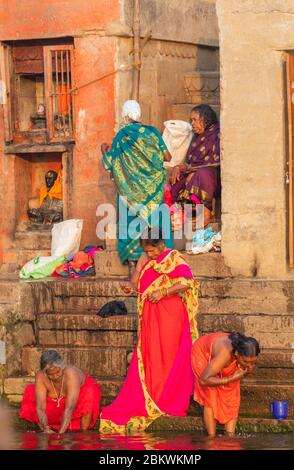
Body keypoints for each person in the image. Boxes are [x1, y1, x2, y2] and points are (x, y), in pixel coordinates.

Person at [100, 228, 199, 433]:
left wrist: (164, 292)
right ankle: (153, 396)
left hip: (169, 315)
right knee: (151, 357)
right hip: (150, 317)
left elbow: (187, 282)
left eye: (153, 251)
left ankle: (167, 398)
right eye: (147, 251)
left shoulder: (174, 258)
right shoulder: (146, 259)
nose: (151, 254)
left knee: (167, 358)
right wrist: (131, 286)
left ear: (161, 244)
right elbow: (139, 285)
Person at [101, 100, 173, 274]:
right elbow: (167, 156)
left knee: (128, 223)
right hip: (153, 190)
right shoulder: (153, 133)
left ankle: (133, 265)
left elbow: (109, 163)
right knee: (157, 222)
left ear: (124, 116)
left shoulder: (121, 135)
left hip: (129, 192)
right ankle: (164, 260)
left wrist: (103, 149)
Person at [191, 332, 260, 437]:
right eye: (246, 362)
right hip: (203, 353)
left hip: (222, 356)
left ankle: (230, 436)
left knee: (233, 390)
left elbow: (246, 366)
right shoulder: (225, 353)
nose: (250, 365)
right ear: (237, 354)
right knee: (210, 393)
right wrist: (230, 378)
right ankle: (211, 438)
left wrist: (246, 370)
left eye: (253, 362)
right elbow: (204, 380)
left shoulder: (247, 350)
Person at [20, 350, 101, 433]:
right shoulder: (41, 375)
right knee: (30, 391)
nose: (55, 376)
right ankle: (47, 428)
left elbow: (70, 408)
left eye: (58, 372)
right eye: (50, 374)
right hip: (57, 400)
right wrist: (45, 428)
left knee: (89, 392)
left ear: (62, 367)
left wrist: (60, 435)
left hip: (75, 401)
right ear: (44, 372)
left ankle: (83, 432)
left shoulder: (71, 374)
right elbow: (40, 407)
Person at [170, 104, 220, 222]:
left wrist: (193, 171)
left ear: (206, 119)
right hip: (195, 172)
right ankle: (179, 214)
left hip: (213, 178)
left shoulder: (217, 134)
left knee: (203, 174)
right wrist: (178, 167)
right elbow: (189, 163)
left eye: (195, 120)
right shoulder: (196, 138)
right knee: (177, 180)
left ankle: (206, 213)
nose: (192, 123)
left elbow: (216, 161)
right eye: (191, 120)